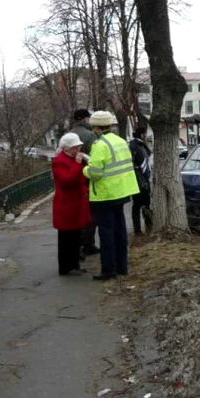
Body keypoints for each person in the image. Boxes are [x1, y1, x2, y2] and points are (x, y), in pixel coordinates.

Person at [83, 111, 140, 281]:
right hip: (121, 192)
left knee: (106, 233)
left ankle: (108, 269)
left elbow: (95, 173)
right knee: (120, 231)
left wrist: (84, 168)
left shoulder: (99, 145)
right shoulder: (121, 141)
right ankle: (122, 267)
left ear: (95, 127)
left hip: (105, 195)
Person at [52, 133, 91, 276]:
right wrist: (77, 164)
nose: (79, 149)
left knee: (76, 236)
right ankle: (66, 267)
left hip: (76, 202)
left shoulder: (74, 158)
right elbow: (67, 180)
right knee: (66, 238)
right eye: (76, 147)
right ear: (68, 148)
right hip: (66, 204)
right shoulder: (59, 161)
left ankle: (75, 264)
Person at [71, 109, 99, 258]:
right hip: (86, 178)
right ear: (86, 119)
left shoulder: (68, 135)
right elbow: (95, 158)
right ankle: (87, 245)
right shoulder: (90, 136)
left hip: (71, 178)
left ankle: (77, 245)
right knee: (90, 214)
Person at [129, 127, 152, 235]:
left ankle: (143, 228)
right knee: (140, 205)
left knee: (140, 205)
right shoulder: (136, 146)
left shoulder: (138, 145)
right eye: (145, 133)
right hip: (139, 180)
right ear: (142, 134)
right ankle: (140, 229)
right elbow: (143, 163)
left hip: (139, 179)